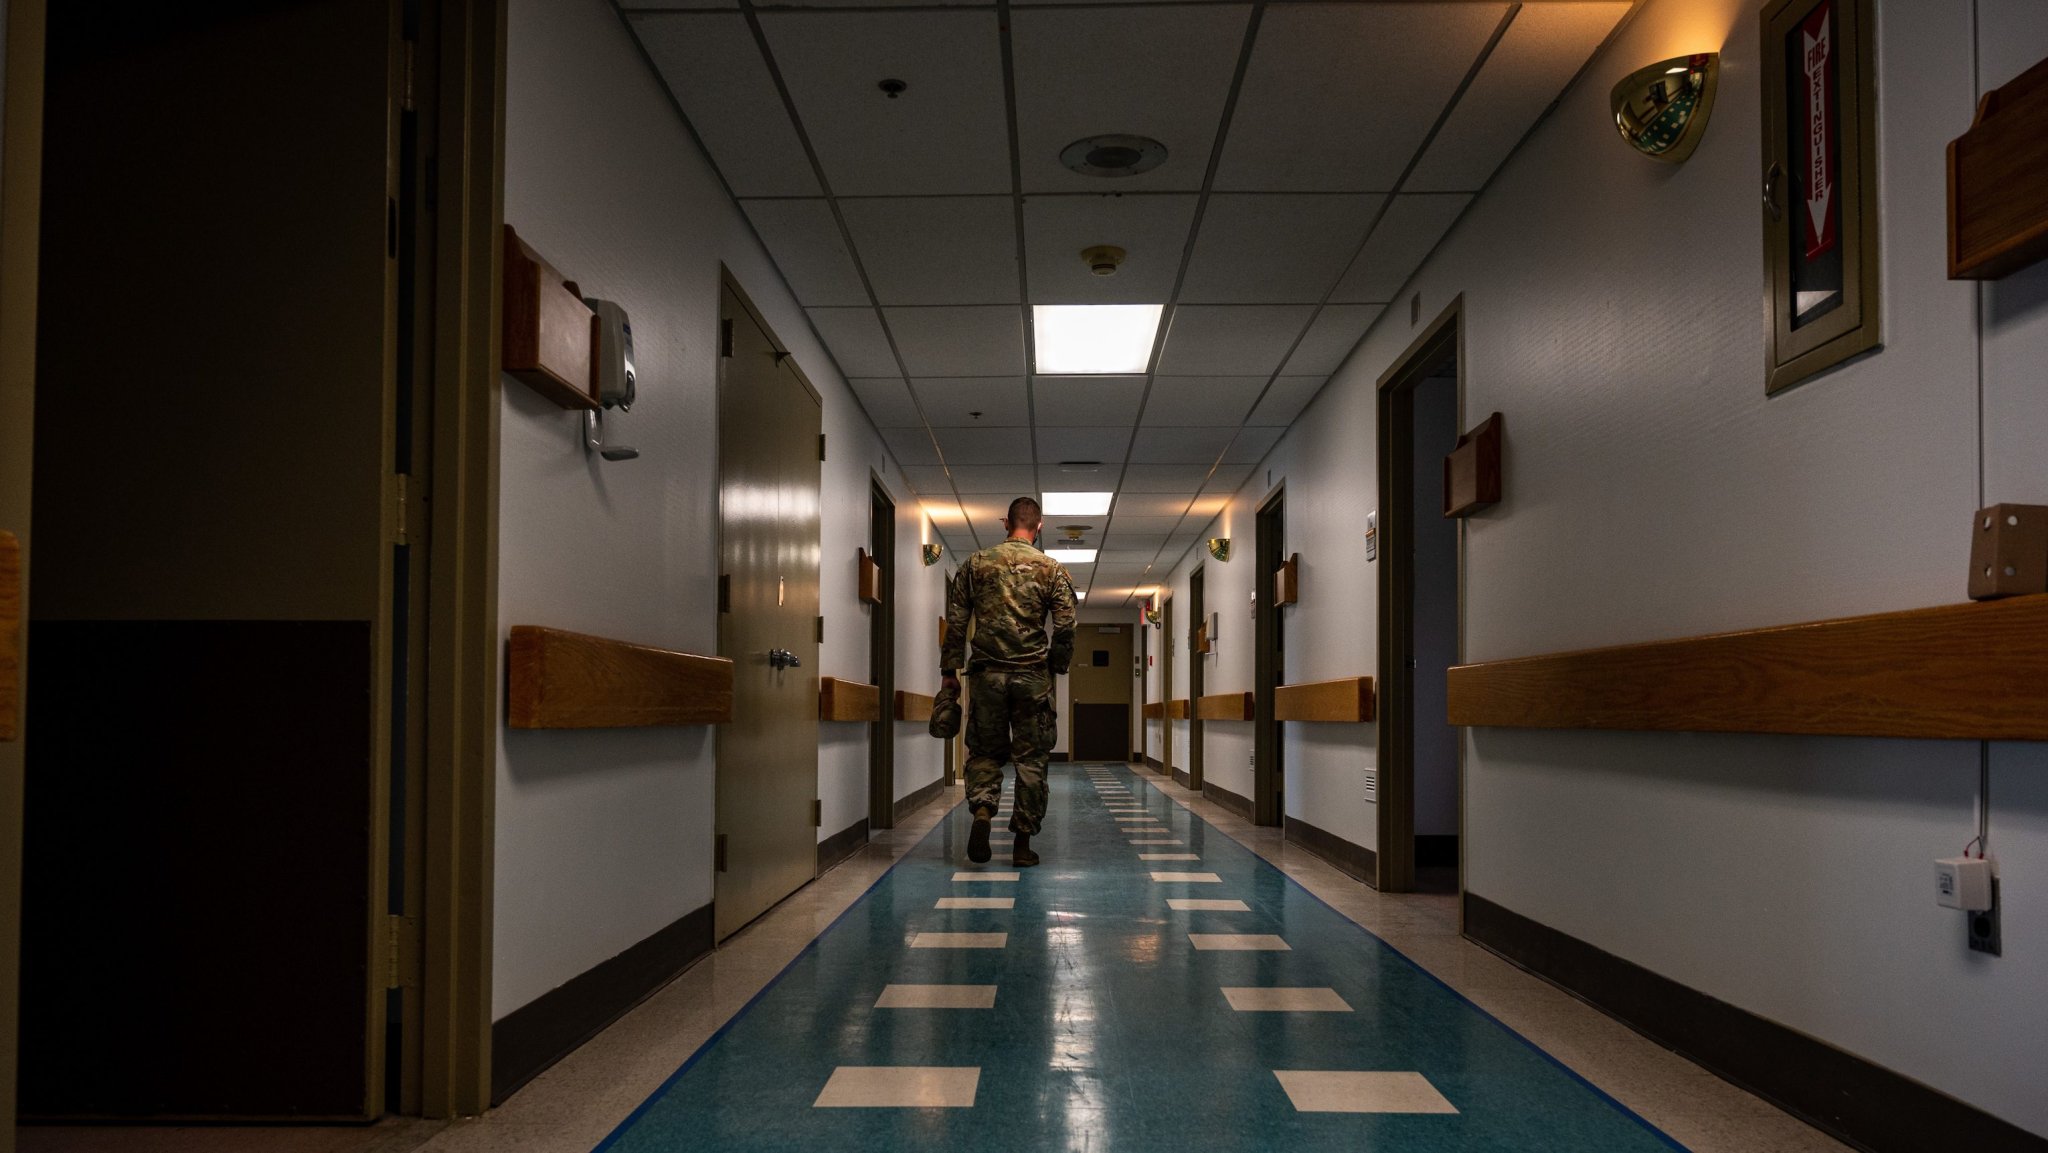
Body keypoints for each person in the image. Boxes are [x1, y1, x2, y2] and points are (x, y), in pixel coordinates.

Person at [940, 496, 1078, 868]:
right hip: (1032, 677)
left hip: (987, 676)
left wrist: (949, 673)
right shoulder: (1052, 570)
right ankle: (1021, 844)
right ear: (1040, 526)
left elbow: (955, 622)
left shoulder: (975, 564)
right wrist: (1056, 666)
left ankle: (983, 814)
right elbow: (1065, 626)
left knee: (985, 751)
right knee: (1031, 759)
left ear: (1005, 523)